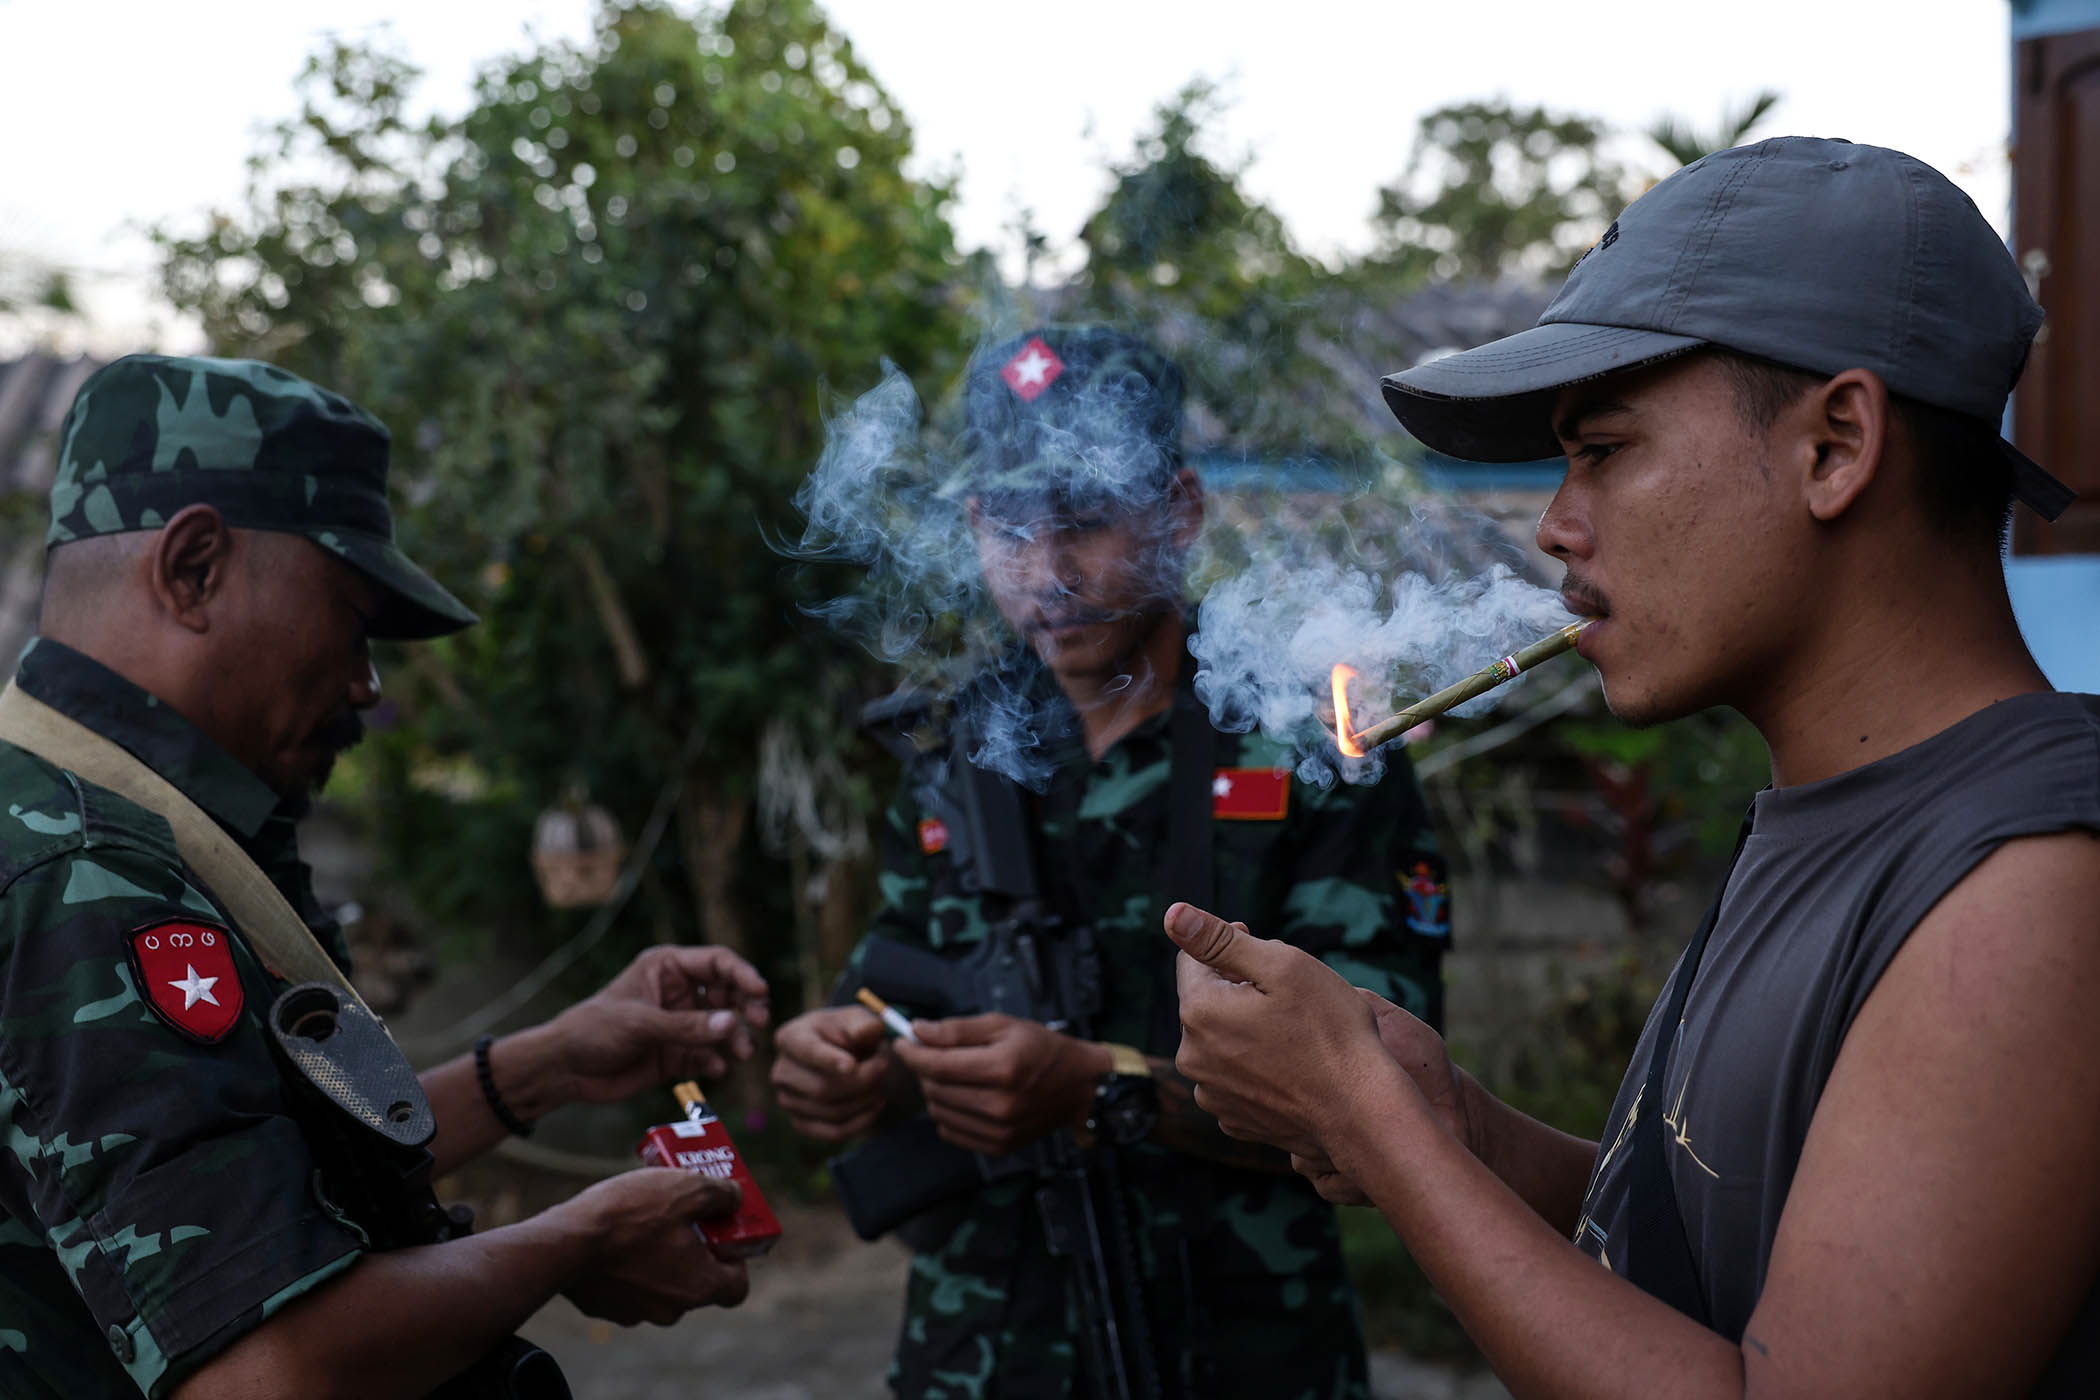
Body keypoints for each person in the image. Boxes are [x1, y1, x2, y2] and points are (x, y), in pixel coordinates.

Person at [1168, 136, 2100, 1397]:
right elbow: (1711, 1250)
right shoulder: (1841, 810)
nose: (1554, 523)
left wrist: (1367, 1123)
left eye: (1601, 448)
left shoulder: (2031, 886)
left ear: (1835, 446)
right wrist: (1459, 1126)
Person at [0, 354, 771, 1399]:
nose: (367, 681)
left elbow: (261, 1179)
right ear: (193, 569)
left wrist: (546, 1065)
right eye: (351, 617)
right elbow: (262, 1371)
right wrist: (577, 1237)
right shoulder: (88, 873)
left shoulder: (92, 812)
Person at [770, 325, 1449, 1400]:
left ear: (1177, 511)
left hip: (1240, 1350)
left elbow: (1392, 1083)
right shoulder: (955, 745)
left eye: (1083, 522)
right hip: (979, 1349)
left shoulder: (1306, 739)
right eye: (1010, 527)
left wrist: (1103, 1086)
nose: (1047, 572)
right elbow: (892, 978)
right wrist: (845, 1055)